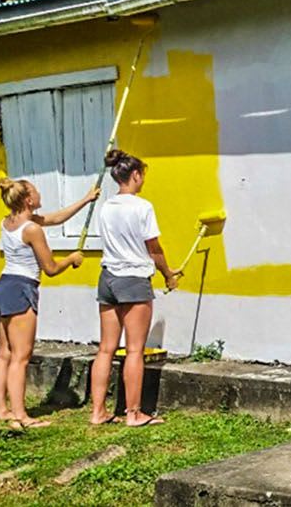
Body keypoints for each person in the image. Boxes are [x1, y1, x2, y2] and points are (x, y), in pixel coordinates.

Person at [0, 178, 97, 428]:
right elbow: (49, 268)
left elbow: (55, 219)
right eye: (37, 192)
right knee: (21, 356)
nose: (40, 195)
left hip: (3, 286)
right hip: (21, 288)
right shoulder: (32, 230)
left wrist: (85, 200)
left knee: (5, 354)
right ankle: (21, 416)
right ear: (29, 200)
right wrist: (71, 259)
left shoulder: (9, 221)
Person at [88, 149, 178, 427]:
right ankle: (134, 413)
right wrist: (168, 274)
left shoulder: (106, 207)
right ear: (135, 175)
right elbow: (154, 248)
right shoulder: (142, 207)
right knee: (135, 349)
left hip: (108, 277)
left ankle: (98, 412)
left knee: (106, 349)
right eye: (142, 175)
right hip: (134, 278)